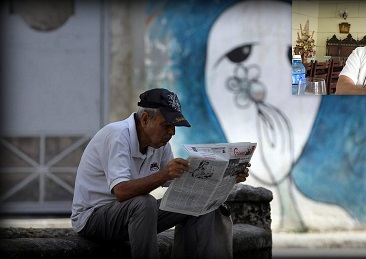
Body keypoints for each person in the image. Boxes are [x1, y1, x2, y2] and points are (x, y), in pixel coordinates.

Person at [71, 88, 250, 259]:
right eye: (166, 125)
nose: (171, 132)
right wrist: (163, 175)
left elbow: (180, 184)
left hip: (134, 218)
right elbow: (121, 192)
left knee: (200, 202)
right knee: (144, 203)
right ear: (145, 119)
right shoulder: (117, 135)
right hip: (93, 219)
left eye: (174, 126)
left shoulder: (161, 144)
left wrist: (227, 177)